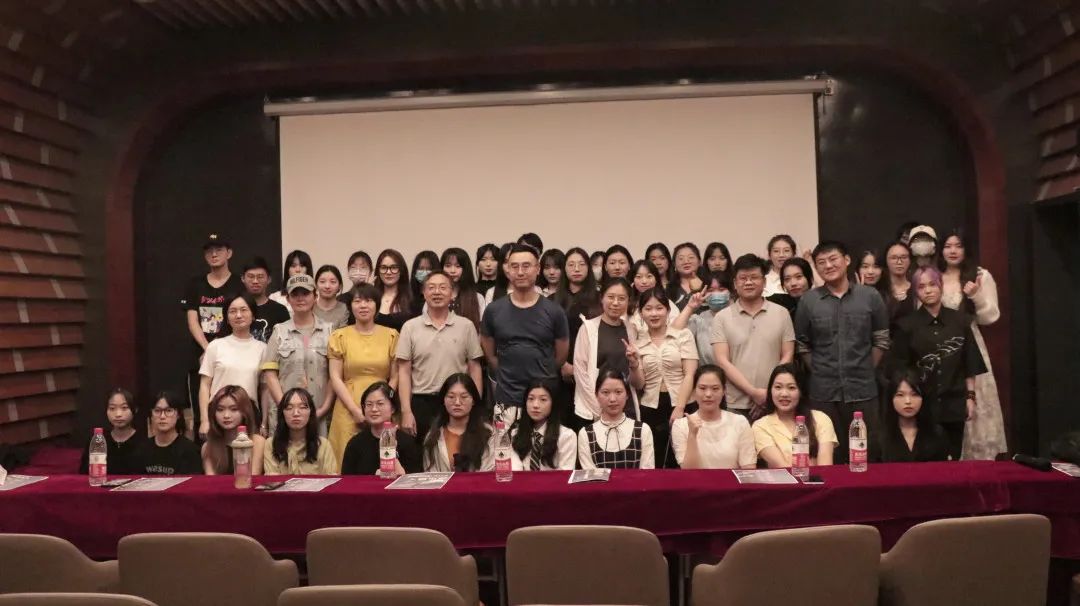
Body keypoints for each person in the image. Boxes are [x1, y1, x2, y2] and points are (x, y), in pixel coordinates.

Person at [794, 240, 889, 463]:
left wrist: (866, 367)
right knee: (829, 456)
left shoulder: (870, 296)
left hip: (863, 390)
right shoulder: (809, 301)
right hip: (823, 393)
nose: (828, 265)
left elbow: (881, 339)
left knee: (866, 455)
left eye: (833, 259)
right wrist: (820, 369)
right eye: (821, 262)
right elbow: (802, 344)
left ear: (846, 260)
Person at [892, 266, 986, 460]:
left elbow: (969, 364)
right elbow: (900, 371)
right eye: (921, 287)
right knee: (923, 461)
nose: (928, 290)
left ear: (941, 285)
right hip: (921, 406)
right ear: (915, 292)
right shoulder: (906, 326)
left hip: (954, 403)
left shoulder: (960, 321)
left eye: (932, 284)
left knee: (953, 459)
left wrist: (970, 397)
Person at [938, 228, 1007, 460]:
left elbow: (991, 317)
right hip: (939, 346)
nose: (953, 251)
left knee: (975, 400)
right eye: (948, 246)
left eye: (958, 246)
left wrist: (976, 296)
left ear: (966, 249)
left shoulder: (980, 275)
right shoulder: (934, 275)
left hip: (969, 343)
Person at [481, 243, 570, 422]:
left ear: (537, 269)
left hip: (543, 398)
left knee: (543, 440)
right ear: (507, 270)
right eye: (514, 266)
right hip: (507, 397)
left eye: (526, 266)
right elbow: (489, 353)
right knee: (504, 441)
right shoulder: (493, 310)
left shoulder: (554, 311)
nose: (520, 272)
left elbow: (560, 356)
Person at [397, 270, 484, 442]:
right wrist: (406, 411)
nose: (437, 292)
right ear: (424, 292)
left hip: (456, 402)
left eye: (443, 287)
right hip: (422, 402)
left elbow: (475, 368)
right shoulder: (410, 327)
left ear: (452, 293)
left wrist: (474, 406)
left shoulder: (466, 326)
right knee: (421, 453)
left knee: (457, 452)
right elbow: (404, 372)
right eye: (431, 288)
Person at [711, 254, 795, 419]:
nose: (748, 282)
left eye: (754, 277)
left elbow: (788, 355)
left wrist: (768, 393)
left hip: (776, 400)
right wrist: (754, 393)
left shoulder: (782, 313)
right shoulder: (722, 317)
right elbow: (722, 361)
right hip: (736, 404)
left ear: (764, 282)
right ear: (735, 283)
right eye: (743, 278)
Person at [327, 283, 400, 466]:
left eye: (368, 301)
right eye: (357, 301)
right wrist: (355, 410)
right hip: (348, 405)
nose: (363, 306)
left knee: (386, 460)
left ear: (377, 305)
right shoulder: (339, 336)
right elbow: (335, 377)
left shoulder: (391, 335)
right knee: (347, 462)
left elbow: (395, 376)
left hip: (383, 405)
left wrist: (385, 404)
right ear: (350, 306)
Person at [182, 233, 241, 440]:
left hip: (230, 357)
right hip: (200, 356)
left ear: (229, 253)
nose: (214, 254)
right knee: (202, 416)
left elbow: (240, 320)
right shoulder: (195, 284)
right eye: (209, 251)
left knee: (231, 410)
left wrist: (218, 352)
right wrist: (208, 350)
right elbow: (192, 321)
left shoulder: (239, 283)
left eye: (219, 250)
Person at [260, 274, 334, 438]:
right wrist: (286, 407)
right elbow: (270, 375)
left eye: (305, 293)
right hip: (285, 416)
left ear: (315, 296)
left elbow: (334, 375)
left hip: (320, 415)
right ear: (288, 299)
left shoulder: (329, 331)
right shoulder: (279, 331)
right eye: (295, 294)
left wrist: (325, 408)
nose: (300, 298)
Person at [635, 287, 698, 467]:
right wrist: (632, 364)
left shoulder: (683, 335)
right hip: (650, 407)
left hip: (683, 403)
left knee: (683, 458)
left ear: (668, 310)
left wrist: (680, 407)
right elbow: (639, 384)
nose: (654, 313)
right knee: (655, 459)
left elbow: (690, 374)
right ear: (641, 313)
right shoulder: (638, 343)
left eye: (659, 308)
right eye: (648, 309)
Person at [572, 278, 645, 428]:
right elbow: (580, 374)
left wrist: (634, 364)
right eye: (611, 297)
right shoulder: (588, 328)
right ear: (602, 298)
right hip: (595, 411)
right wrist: (600, 410)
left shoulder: (631, 329)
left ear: (628, 301)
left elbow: (638, 384)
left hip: (626, 409)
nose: (616, 303)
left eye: (622, 298)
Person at [198, 292, 267, 440]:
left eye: (244, 310)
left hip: (248, 415)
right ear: (227, 318)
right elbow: (204, 385)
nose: (238, 315)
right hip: (219, 414)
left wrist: (264, 423)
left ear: (253, 315)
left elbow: (265, 389)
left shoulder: (262, 348)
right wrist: (204, 420)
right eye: (233, 311)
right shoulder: (215, 346)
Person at [423, 373, 515, 472]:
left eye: (464, 397)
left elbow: (489, 471)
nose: (457, 402)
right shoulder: (433, 436)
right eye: (451, 397)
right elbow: (430, 474)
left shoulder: (488, 433)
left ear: (473, 400)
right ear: (443, 401)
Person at [670, 365, 756, 469]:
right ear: (694, 391)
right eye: (702, 388)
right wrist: (692, 434)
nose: (708, 394)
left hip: (731, 480)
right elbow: (688, 471)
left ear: (724, 391)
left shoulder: (739, 422)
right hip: (696, 480)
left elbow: (748, 469)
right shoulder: (681, 425)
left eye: (715, 388)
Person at [753, 363, 836, 467]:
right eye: (778, 387)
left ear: (801, 392)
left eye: (791, 388)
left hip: (818, 477)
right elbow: (783, 467)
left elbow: (825, 466)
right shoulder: (761, 426)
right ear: (770, 391)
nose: (784, 394)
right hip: (784, 477)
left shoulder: (821, 419)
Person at [577, 369, 655, 469]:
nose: (612, 399)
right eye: (605, 392)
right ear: (596, 395)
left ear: (627, 395)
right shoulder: (586, 434)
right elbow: (590, 475)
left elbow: (647, 473)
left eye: (618, 392)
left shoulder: (643, 430)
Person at [342, 381, 423, 476]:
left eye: (380, 404)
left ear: (393, 408)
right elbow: (346, 479)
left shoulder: (407, 443)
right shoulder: (355, 444)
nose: (374, 409)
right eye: (369, 404)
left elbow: (416, 479)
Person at [878, 369, 950, 462]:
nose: (908, 401)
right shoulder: (878, 437)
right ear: (891, 399)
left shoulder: (938, 434)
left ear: (923, 398)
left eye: (914, 394)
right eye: (900, 395)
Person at [263, 388, 338, 474]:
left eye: (302, 407)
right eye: (289, 408)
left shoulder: (323, 445)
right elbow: (272, 479)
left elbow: (331, 478)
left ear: (311, 412)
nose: (296, 413)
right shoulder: (271, 444)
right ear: (282, 414)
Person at [512, 379, 577, 470]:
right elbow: (515, 471)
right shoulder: (516, 434)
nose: (535, 405)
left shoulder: (566, 436)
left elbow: (566, 473)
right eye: (531, 399)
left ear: (553, 403)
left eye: (543, 399)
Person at [131, 391, 202, 475]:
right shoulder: (141, 450)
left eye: (168, 410)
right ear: (151, 415)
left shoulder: (190, 451)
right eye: (157, 411)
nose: (162, 416)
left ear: (178, 415)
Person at [79, 388, 147, 474]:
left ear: (135, 409)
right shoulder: (98, 440)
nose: (118, 414)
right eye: (112, 408)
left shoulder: (144, 441)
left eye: (124, 408)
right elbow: (84, 473)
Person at [672, 270, 734, 365]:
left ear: (731, 292)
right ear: (704, 293)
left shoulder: (740, 315)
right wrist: (690, 307)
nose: (716, 294)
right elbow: (674, 334)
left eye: (721, 290)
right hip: (708, 372)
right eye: (710, 290)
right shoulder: (699, 319)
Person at [201, 385, 265, 475]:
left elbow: (253, 476)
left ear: (245, 411)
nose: (226, 415)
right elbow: (210, 480)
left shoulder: (258, 442)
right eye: (220, 409)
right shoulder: (208, 447)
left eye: (234, 409)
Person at [241, 257, 290, 343]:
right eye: (251, 276)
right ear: (243, 279)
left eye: (260, 277)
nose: (255, 281)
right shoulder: (235, 309)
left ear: (269, 279)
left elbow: (287, 342)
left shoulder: (280, 310)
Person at [441, 247, 486, 331]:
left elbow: (482, 331)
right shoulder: (435, 296)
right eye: (448, 266)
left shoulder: (477, 298)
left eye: (458, 266)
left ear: (465, 269)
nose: (452, 271)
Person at [628, 260, 678, 334]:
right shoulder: (627, 304)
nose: (644, 281)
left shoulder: (666, 303)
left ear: (656, 279)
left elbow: (676, 329)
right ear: (633, 280)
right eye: (638, 277)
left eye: (649, 276)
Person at [877, 242, 916, 330]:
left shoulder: (917, 289)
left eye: (904, 257)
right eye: (894, 258)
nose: (899, 262)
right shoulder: (878, 291)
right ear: (886, 261)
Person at [373, 249, 414, 332]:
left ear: (401, 270)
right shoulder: (371, 298)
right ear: (378, 271)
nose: (388, 272)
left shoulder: (412, 300)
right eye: (384, 268)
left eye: (394, 267)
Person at [767, 257, 813, 321]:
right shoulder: (778, 302)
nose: (793, 283)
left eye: (798, 277)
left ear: (810, 279)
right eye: (787, 279)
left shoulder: (820, 302)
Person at [269, 249, 312, 314]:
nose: (298, 270)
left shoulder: (316, 297)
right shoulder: (275, 298)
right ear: (287, 270)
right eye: (293, 266)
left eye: (302, 266)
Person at [667, 242, 706, 311]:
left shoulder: (708, 285)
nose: (686, 261)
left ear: (699, 261)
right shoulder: (668, 290)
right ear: (674, 264)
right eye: (681, 258)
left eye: (691, 257)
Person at [313, 265, 349, 330]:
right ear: (316, 285)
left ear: (340, 286)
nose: (327, 286)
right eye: (322, 281)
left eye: (333, 282)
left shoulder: (344, 309)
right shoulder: (310, 307)